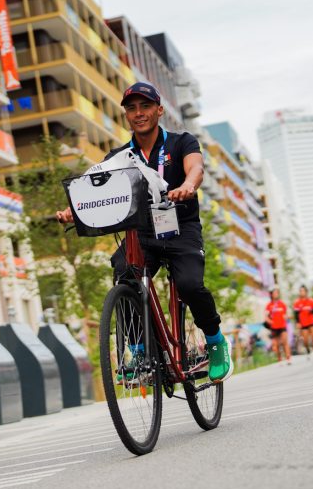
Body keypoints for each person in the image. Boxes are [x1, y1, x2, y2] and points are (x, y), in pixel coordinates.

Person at [55, 82, 233, 382]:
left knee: (189, 284)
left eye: (145, 106)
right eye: (132, 108)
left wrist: (188, 186)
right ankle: (140, 351)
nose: (139, 113)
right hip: (143, 232)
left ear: (159, 110)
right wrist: (74, 210)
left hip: (180, 226)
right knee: (124, 273)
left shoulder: (181, 142)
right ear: (126, 114)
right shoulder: (120, 156)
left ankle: (215, 340)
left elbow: (196, 168)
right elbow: (99, 192)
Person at [264, 288, 291, 365]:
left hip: (282, 326)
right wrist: (270, 321)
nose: (276, 294)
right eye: (275, 293)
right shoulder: (269, 305)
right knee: (277, 344)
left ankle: (288, 358)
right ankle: (280, 359)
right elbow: (266, 317)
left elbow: (286, 314)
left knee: (285, 342)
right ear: (271, 295)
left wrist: (286, 317)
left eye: (277, 293)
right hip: (274, 327)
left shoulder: (282, 304)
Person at [292, 285, 313, 359]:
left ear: (306, 292)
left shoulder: (311, 301)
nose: (302, 292)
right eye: (300, 291)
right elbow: (296, 314)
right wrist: (298, 323)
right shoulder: (297, 302)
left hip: (311, 321)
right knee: (305, 340)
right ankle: (308, 351)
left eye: (303, 291)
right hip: (303, 323)